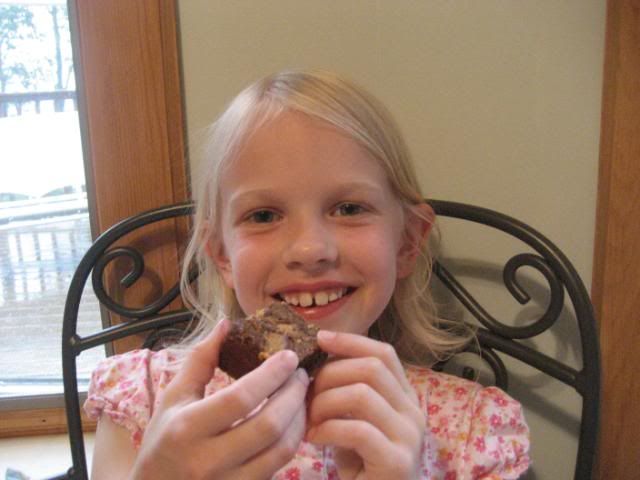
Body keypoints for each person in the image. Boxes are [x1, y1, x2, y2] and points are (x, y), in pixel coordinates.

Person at [85, 70, 530, 480]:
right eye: (263, 215)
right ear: (221, 255)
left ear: (407, 243)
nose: (310, 250)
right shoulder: (145, 400)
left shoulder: (474, 431)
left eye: (349, 208)